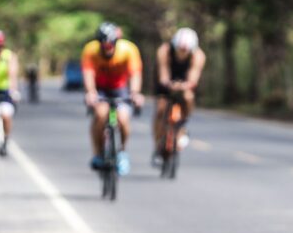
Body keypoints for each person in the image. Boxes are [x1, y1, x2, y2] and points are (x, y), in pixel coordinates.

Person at [82, 22, 144, 175]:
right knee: (101, 114)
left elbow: (135, 73)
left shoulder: (128, 50)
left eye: (111, 44)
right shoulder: (90, 50)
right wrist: (91, 92)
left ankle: (121, 151)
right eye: (104, 44)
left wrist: (135, 93)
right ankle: (97, 153)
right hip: (100, 89)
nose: (107, 47)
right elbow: (88, 73)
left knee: (123, 118)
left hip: (120, 89)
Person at [153, 27, 206, 164]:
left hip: (184, 81)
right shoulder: (164, 51)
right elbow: (163, 72)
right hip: (167, 80)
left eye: (185, 51)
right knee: (161, 107)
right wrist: (167, 83)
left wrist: (185, 86)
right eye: (179, 50)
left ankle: (183, 123)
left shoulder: (198, 55)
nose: (182, 53)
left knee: (188, 97)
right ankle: (158, 142)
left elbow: (193, 77)